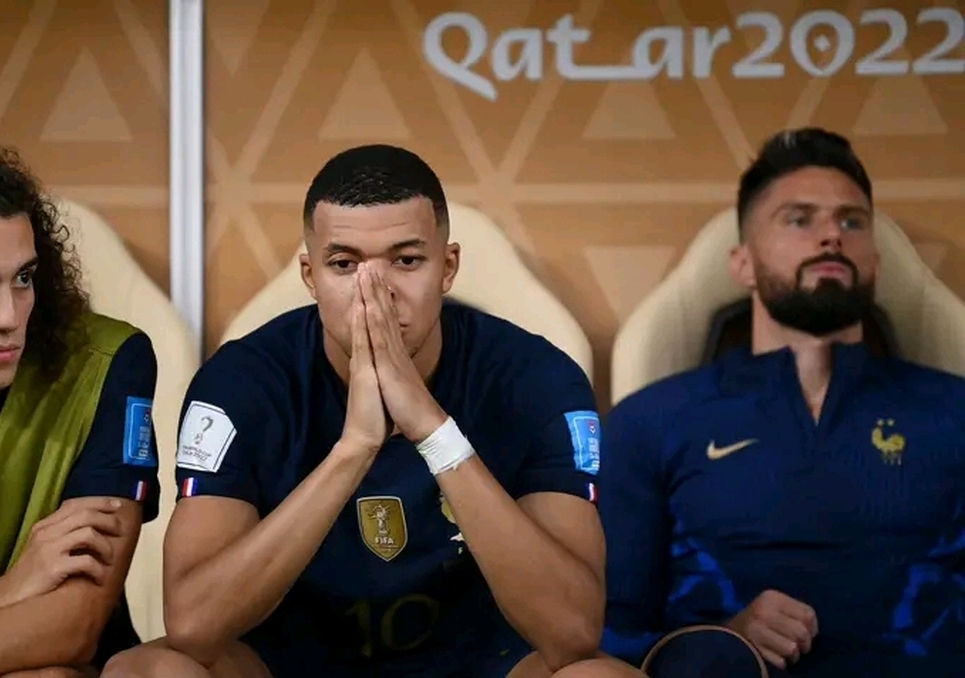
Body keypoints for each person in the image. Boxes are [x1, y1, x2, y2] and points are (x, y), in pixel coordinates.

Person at [102, 144, 643, 678]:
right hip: (287, 665)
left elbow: (573, 633)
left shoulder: (537, 378)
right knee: (146, 672)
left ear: (448, 267)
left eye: (406, 261)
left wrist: (434, 432)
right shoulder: (241, 381)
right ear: (310, 276)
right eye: (344, 265)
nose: (376, 292)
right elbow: (193, 625)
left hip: (483, 664)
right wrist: (353, 449)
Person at [598, 127, 965, 678]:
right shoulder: (649, 423)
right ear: (743, 264)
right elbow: (609, 635)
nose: (832, 236)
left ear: (875, 263)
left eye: (852, 222)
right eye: (799, 219)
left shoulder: (954, 414)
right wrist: (723, 641)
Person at [0, 139, 161, 677]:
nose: (8, 317)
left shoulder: (104, 366)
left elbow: (72, 627)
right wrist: (8, 591)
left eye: (24, 278)